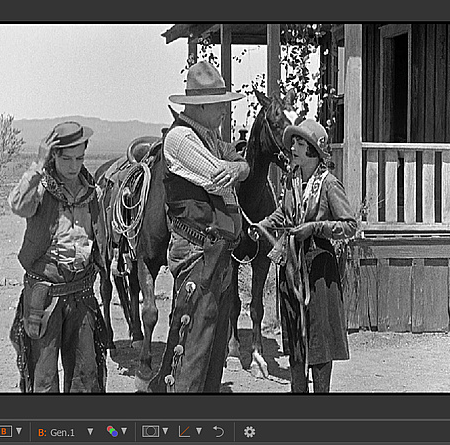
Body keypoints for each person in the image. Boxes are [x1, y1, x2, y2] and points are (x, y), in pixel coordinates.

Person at [148, 60, 249, 393]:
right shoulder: (180, 138)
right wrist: (235, 168)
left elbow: (238, 165)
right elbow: (219, 178)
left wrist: (238, 167)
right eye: (221, 104)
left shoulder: (209, 137)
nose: (225, 111)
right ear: (203, 105)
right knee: (191, 354)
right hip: (197, 255)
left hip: (215, 254)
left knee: (211, 354)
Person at [258, 118, 357, 393]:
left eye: (300, 143)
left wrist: (315, 228)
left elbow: (350, 225)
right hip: (292, 266)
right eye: (293, 142)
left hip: (319, 272)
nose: (293, 148)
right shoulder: (291, 180)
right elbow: (286, 214)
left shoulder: (329, 185)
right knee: (295, 339)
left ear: (313, 150)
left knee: (319, 339)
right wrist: (265, 223)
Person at [8, 121, 107, 393]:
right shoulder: (41, 190)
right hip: (45, 298)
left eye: (80, 158)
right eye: (66, 159)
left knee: (86, 378)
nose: (74, 166)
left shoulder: (92, 192)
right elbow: (17, 204)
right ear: (54, 156)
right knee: (44, 378)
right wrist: (38, 164)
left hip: (81, 295)